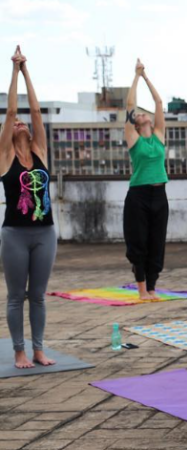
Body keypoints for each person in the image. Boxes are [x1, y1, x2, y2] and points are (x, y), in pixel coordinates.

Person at [1, 46, 58, 369]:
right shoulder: (5, 157)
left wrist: (27, 72)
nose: (21, 123)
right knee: (14, 296)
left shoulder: (39, 152)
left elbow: (35, 112)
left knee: (37, 295)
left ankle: (38, 349)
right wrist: (13, 71)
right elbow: (11, 113)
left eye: (24, 123)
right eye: (16, 124)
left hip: (45, 232)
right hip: (14, 235)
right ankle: (19, 351)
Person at [123, 58, 169, 300]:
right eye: (138, 115)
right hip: (138, 195)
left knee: (157, 241)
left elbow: (159, 102)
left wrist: (147, 77)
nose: (140, 114)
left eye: (143, 113)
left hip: (159, 194)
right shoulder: (134, 138)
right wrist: (136, 77)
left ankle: (152, 287)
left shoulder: (159, 135)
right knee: (138, 241)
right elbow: (130, 104)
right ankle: (141, 288)